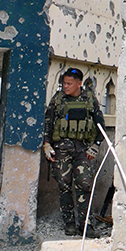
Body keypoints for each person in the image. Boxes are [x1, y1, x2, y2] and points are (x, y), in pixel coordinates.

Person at [42, 68, 105, 238]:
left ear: (79, 84)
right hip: (61, 149)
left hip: (83, 150)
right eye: (64, 83)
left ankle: (86, 224)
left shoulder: (90, 99)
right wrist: (47, 144)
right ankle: (69, 223)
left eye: (69, 84)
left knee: (85, 185)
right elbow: (47, 122)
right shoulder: (58, 99)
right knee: (64, 185)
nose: (66, 87)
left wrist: (96, 145)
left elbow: (100, 124)